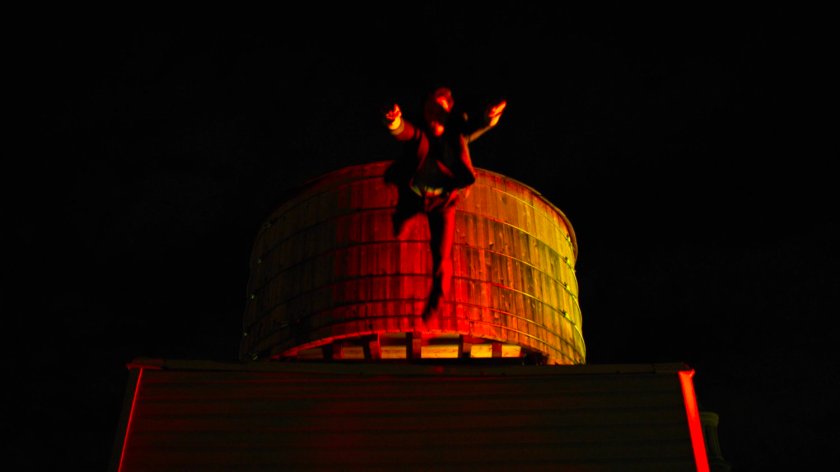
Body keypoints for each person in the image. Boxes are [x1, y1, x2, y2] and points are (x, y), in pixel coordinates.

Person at [381, 86, 507, 319]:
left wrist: (490, 117)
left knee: (442, 254)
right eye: (431, 111)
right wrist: (395, 121)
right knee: (401, 224)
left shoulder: (457, 134)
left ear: (447, 113)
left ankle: (435, 304)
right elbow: (404, 131)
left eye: (440, 111)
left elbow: (477, 125)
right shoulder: (419, 134)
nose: (434, 118)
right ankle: (403, 219)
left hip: (443, 201)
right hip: (416, 196)